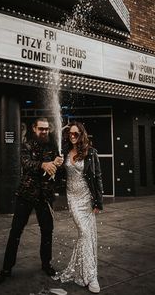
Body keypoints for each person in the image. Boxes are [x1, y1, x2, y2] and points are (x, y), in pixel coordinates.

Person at [0, 117, 64, 284]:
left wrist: (57, 164)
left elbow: (56, 171)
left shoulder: (52, 146)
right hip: (26, 195)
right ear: (34, 129)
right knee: (15, 232)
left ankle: (46, 264)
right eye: (41, 129)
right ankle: (6, 269)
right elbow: (26, 163)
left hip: (45, 197)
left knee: (47, 232)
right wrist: (43, 165)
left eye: (47, 129)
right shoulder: (26, 145)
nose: (44, 131)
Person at [53, 121, 103, 294]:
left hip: (87, 198)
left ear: (82, 134)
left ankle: (91, 275)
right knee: (84, 232)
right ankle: (90, 274)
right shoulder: (64, 151)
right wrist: (57, 164)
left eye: (76, 134)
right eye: (70, 134)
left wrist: (98, 202)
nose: (72, 136)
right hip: (72, 197)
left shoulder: (91, 152)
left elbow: (97, 178)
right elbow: (60, 174)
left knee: (86, 235)